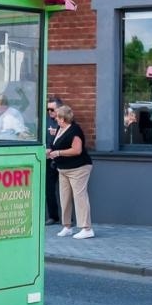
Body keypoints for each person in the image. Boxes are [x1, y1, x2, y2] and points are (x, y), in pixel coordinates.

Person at [48, 102, 93, 238]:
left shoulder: (75, 130)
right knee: (64, 197)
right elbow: (55, 147)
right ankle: (67, 226)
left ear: (63, 118)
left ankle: (87, 228)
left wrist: (59, 153)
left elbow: (77, 150)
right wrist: (49, 152)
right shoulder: (59, 129)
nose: (55, 118)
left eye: (58, 117)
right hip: (63, 169)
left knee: (80, 197)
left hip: (78, 168)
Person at [44, 98, 62, 225]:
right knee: (49, 189)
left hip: (62, 158)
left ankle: (68, 218)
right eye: (48, 109)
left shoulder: (65, 121)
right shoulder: (45, 121)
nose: (49, 112)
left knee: (66, 189)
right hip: (48, 159)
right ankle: (53, 216)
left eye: (52, 109)